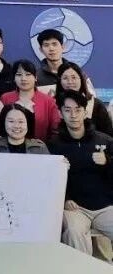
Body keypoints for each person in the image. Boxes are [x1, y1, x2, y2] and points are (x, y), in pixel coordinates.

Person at [49, 91, 113, 255]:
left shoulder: (105, 141)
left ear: (85, 112)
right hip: (76, 209)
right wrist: (65, 199)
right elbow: (48, 180)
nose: (73, 115)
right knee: (73, 231)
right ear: (60, 113)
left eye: (78, 110)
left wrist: (108, 162)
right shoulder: (53, 145)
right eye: (67, 110)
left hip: (106, 207)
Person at [0, 59, 60, 142]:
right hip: (10, 147)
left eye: (28, 74)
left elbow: (55, 129)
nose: (23, 79)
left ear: (35, 77)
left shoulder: (48, 101)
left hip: (41, 147)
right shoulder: (5, 98)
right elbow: (0, 127)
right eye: (19, 75)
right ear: (14, 78)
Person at [56, 61, 113, 136]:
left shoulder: (95, 105)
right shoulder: (53, 104)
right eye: (65, 78)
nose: (70, 82)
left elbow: (108, 136)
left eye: (74, 77)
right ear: (59, 81)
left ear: (81, 79)